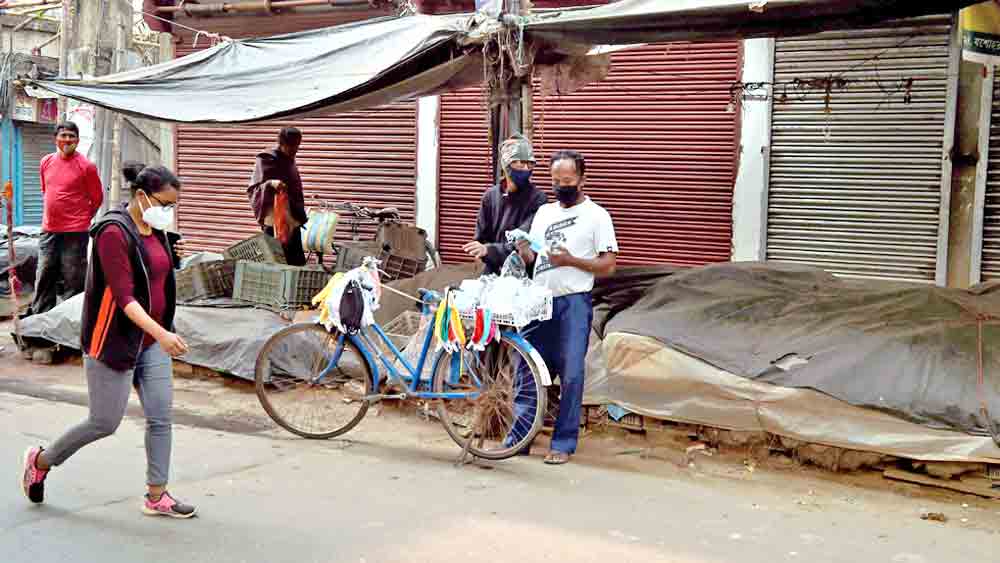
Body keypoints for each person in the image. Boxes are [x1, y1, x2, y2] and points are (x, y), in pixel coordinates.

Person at [20, 162, 197, 519]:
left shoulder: (155, 227)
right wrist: (163, 334)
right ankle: (40, 460)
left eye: (173, 206)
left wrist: (171, 264)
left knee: (160, 418)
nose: (169, 212)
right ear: (142, 196)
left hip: (150, 341)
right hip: (114, 341)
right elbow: (124, 297)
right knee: (104, 422)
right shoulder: (113, 232)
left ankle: (156, 495)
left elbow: (154, 276)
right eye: (165, 204)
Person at [514, 150, 618, 465]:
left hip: (573, 303)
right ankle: (519, 437)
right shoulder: (544, 213)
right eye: (556, 181)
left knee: (571, 374)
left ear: (582, 179)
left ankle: (562, 443)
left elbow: (608, 265)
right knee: (527, 369)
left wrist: (570, 260)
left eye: (568, 181)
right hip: (540, 301)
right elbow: (534, 257)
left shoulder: (597, 215)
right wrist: (523, 252)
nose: (561, 186)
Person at [28, 121, 103, 317]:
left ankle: (70, 321)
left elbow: (97, 198)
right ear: (56, 139)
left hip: (75, 232)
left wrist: (82, 219)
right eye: (63, 136)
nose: (67, 140)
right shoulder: (46, 161)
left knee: (73, 278)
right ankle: (41, 318)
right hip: (49, 229)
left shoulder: (86, 166)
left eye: (72, 136)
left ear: (77, 140)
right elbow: (46, 190)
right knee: (44, 274)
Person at [462, 134, 547, 275]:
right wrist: (483, 252)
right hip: (492, 272)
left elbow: (525, 242)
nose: (526, 168)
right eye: (520, 162)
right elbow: (480, 241)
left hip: (524, 274)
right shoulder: (490, 197)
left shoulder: (538, 199)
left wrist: (489, 250)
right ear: (506, 165)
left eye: (530, 163)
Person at [247, 127, 308, 266]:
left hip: (292, 220)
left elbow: (295, 190)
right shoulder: (266, 158)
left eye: (297, 146)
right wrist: (271, 183)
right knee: (276, 261)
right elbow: (255, 189)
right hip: (273, 221)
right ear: (282, 143)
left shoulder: (289, 160)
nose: (295, 150)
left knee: (296, 261)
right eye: (291, 146)